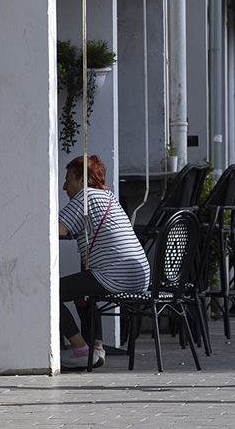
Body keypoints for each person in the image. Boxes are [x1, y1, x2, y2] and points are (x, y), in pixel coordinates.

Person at [58, 155, 150, 369]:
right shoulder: (108, 197)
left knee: (49, 294)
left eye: (68, 179)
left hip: (116, 275)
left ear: (82, 180)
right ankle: (96, 348)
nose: (64, 186)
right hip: (138, 276)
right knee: (82, 290)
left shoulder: (85, 197)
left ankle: (80, 351)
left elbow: (58, 229)